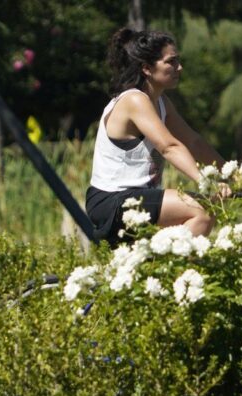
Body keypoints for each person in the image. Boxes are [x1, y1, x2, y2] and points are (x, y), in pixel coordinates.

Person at [86, 27, 229, 247]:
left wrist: (234, 174)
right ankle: (168, 273)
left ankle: (155, 270)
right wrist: (206, 182)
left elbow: (193, 142)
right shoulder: (134, 100)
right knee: (203, 211)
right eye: (171, 62)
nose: (179, 67)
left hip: (138, 199)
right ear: (146, 68)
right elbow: (169, 147)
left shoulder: (162, 104)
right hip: (113, 201)